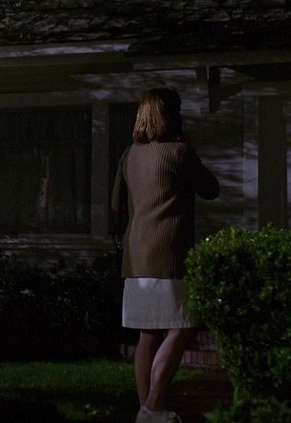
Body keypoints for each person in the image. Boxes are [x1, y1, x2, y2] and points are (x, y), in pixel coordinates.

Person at [111, 87, 219, 423]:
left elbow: (116, 204)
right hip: (169, 253)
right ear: (170, 116)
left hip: (135, 255)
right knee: (184, 325)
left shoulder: (129, 155)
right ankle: (154, 404)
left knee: (148, 334)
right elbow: (211, 189)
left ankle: (148, 412)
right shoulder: (179, 152)